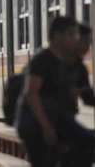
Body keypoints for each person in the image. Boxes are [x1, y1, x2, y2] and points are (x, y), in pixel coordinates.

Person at [16, 16, 80, 167]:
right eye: (70, 34)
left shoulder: (63, 61)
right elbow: (31, 94)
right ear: (57, 36)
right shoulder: (42, 61)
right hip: (38, 126)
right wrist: (46, 127)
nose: (74, 39)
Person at [58, 24, 95, 167]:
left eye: (89, 42)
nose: (87, 47)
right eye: (84, 42)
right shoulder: (55, 63)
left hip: (65, 120)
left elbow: (88, 99)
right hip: (47, 119)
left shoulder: (80, 68)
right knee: (86, 142)